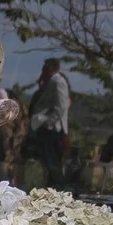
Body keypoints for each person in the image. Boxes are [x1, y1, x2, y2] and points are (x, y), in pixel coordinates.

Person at [28, 58, 74, 188]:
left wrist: (49, 123)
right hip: (47, 127)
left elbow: (60, 107)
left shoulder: (58, 82)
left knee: (52, 163)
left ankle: (59, 189)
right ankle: (53, 188)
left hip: (52, 129)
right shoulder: (51, 82)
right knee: (49, 163)